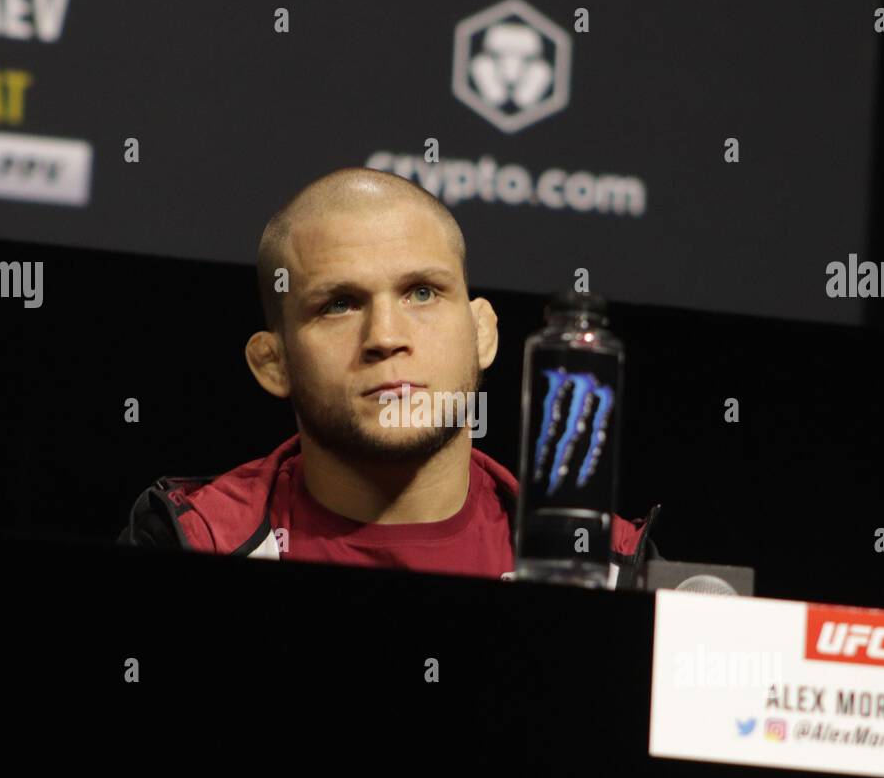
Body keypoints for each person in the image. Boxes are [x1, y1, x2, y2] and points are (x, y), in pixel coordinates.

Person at [118, 167, 659, 587]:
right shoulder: (195, 541)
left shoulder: (610, 567)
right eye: (339, 304)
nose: (385, 335)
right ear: (273, 362)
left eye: (422, 292)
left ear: (483, 333)